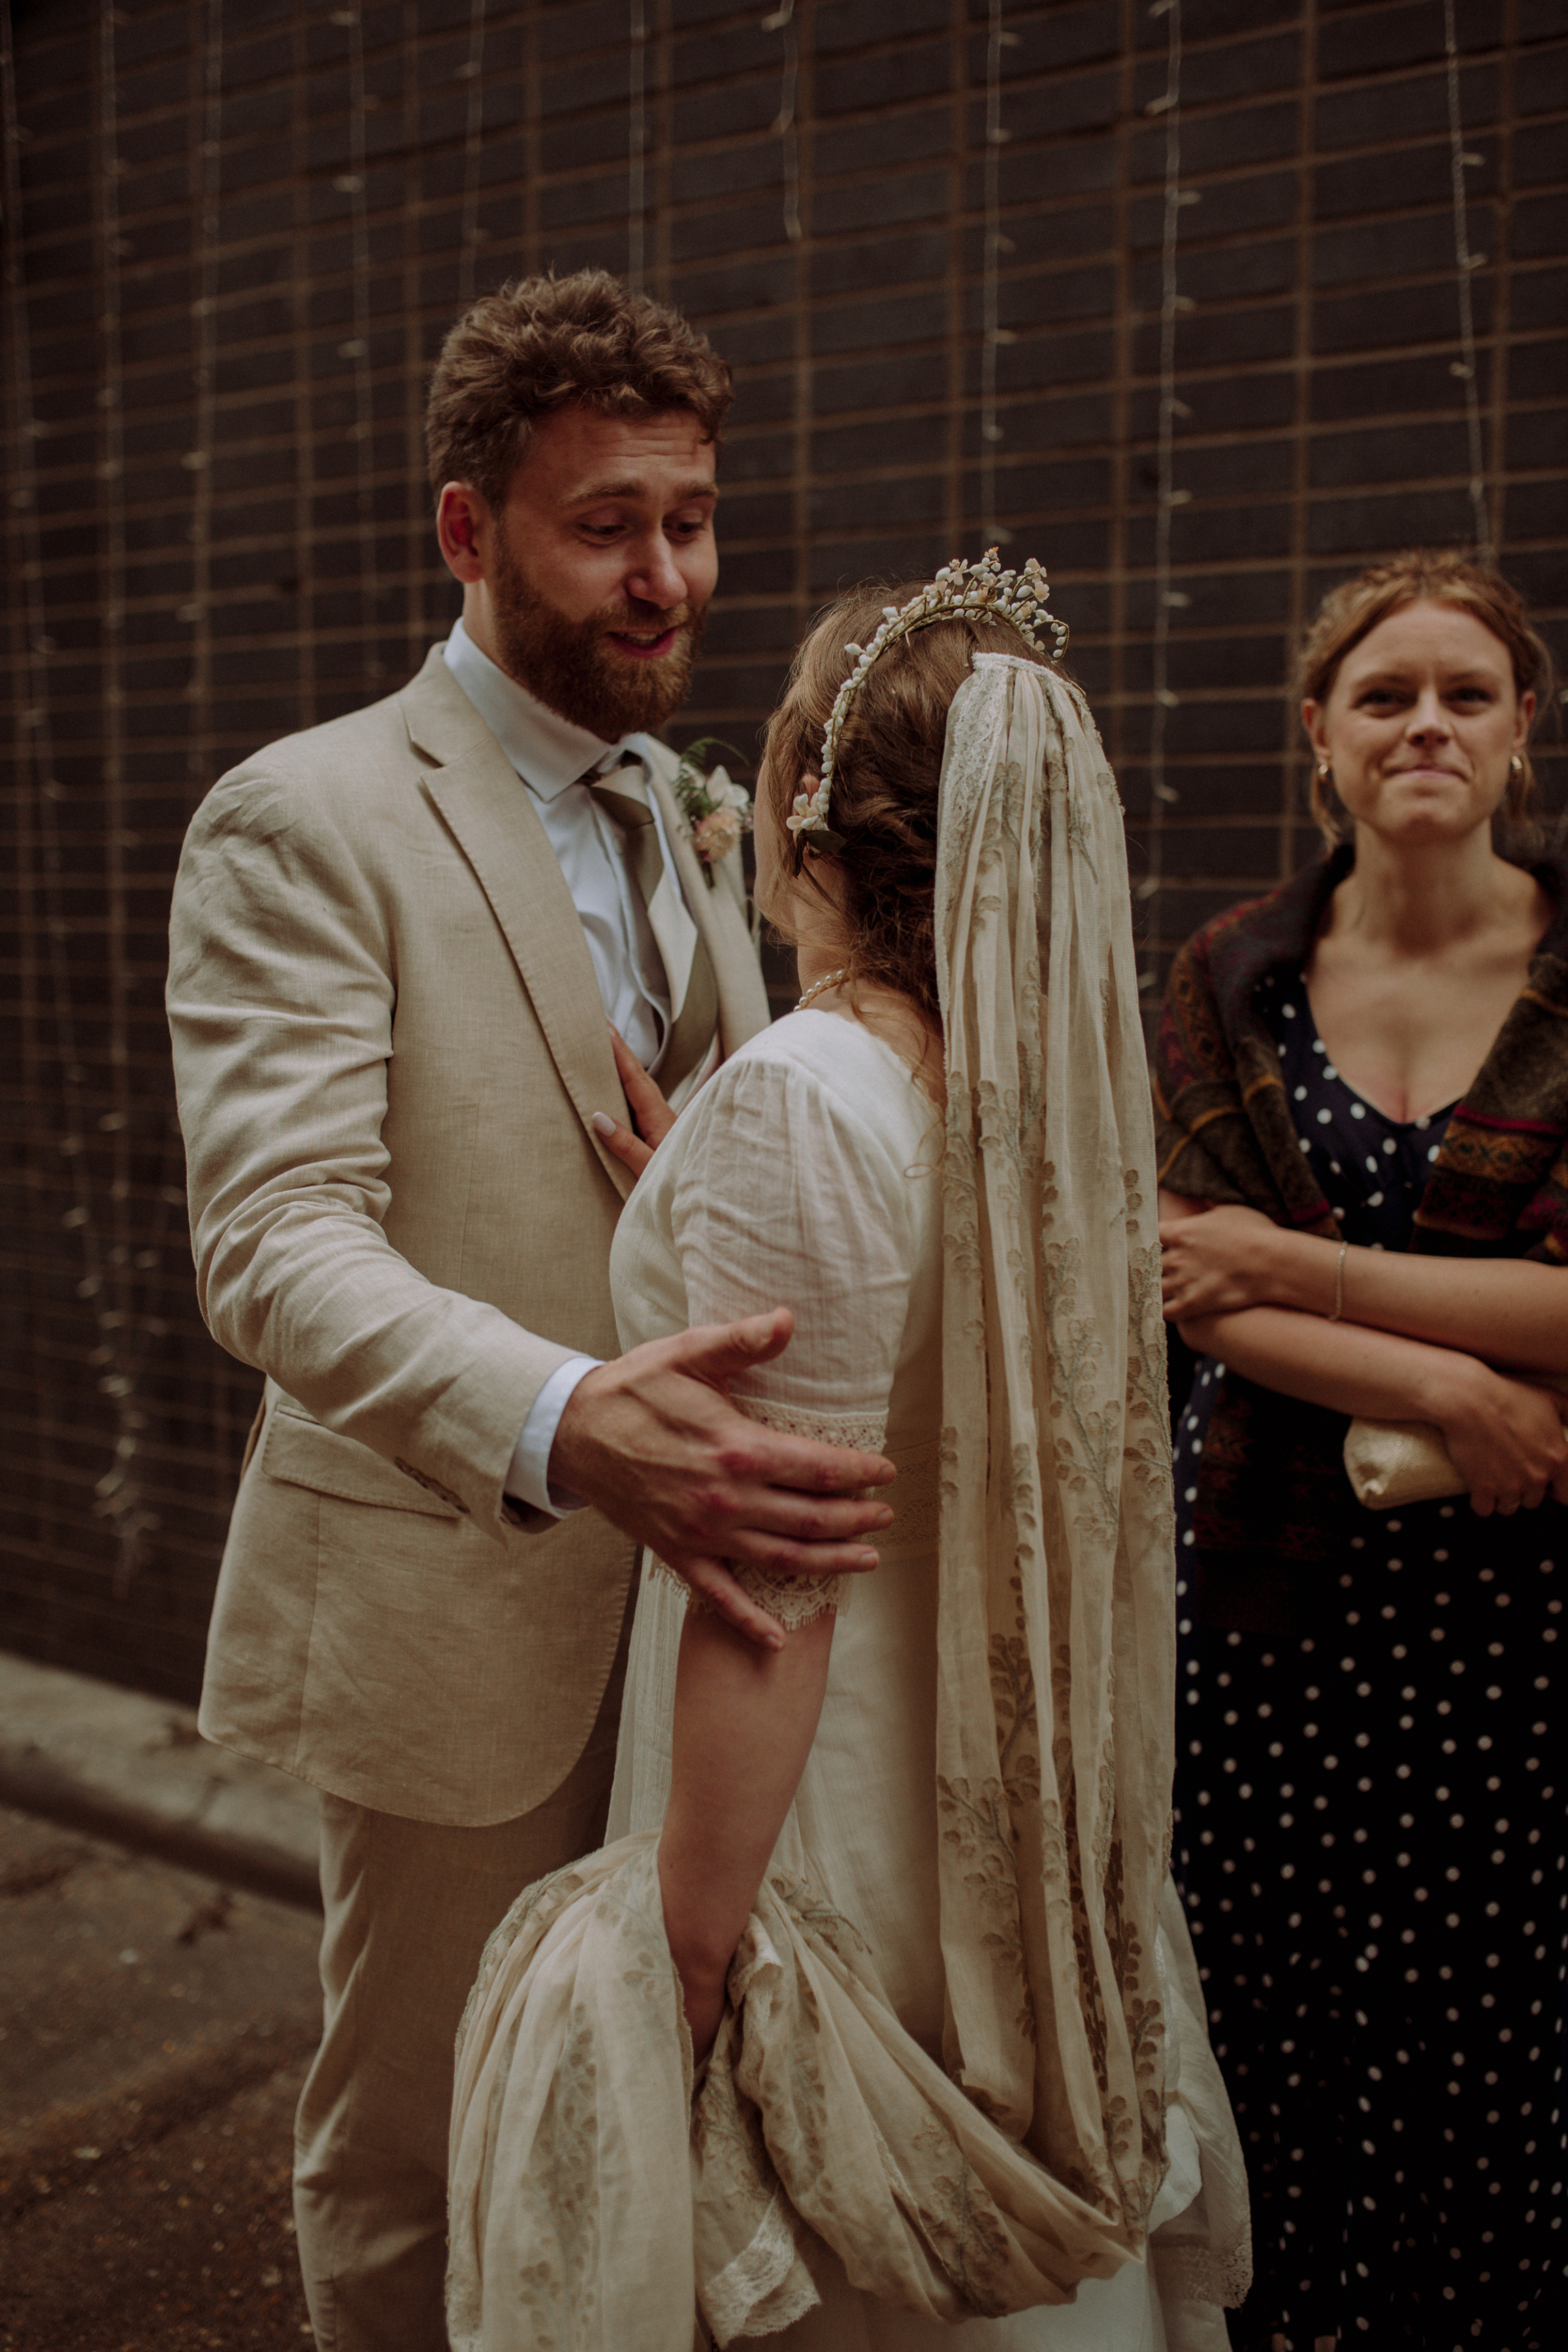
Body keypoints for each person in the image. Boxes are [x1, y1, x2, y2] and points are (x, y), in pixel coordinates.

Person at [165, 271, 898, 2352]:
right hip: (453, 1607)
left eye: (692, 519)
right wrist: (574, 1412)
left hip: (701, 1630)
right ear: (469, 529)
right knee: (415, 2145)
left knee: (635, 2117)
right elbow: (279, 1241)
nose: (667, 577)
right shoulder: (301, 818)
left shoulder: (690, 816)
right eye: (607, 528)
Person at [446, 553, 1252, 2351]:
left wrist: (696, 1950)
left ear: (809, 816)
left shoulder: (812, 1094)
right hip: (976, 1747)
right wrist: (706, 1214)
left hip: (817, 1788)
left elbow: (772, 1580)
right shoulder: (1016, 1092)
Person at [1154, 550, 1568, 2347]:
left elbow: (1251, 1268)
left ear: (1523, 734)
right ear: (1317, 736)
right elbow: (1183, 1277)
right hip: (1271, 1620)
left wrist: (1301, 1269)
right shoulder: (1232, 977)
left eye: (1465, 694)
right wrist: (1455, 1388)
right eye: (1383, 695)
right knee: (1276, 2034)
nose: (1425, 726)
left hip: (1530, 1627)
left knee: (1507, 2046)